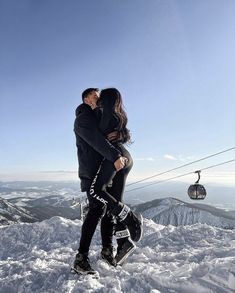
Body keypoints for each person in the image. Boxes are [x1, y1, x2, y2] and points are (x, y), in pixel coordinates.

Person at [72, 88, 143, 275]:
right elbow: (97, 140)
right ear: (86, 99)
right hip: (91, 172)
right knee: (95, 211)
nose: (98, 99)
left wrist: (121, 136)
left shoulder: (97, 115)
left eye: (99, 97)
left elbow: (113, 130)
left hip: (104, 168)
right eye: (95, 96)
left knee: (106, 212)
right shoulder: (83, 118)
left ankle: (107, 250)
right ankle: (81, 258)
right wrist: (114, 156)